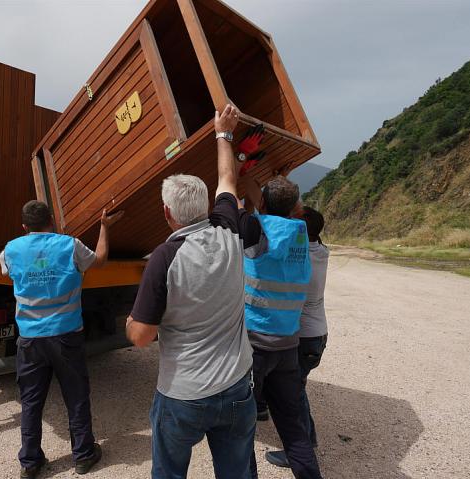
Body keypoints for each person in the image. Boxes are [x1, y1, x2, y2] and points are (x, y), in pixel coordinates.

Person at [125, 104, 257, 479]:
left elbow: (141, 337)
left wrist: (131, 321)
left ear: (167, 213)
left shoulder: (164, 258)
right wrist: (223, 134)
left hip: (183, 394)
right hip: (236, 388)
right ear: (207, 206)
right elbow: (228, 179)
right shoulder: (230, 230)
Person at [0, 200, 123, 479]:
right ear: (52, 220)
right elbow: (100, 261)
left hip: (30, 339)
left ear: (23, 227)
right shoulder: (70, 245)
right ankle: (83, 455)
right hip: (66, 336)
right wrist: (104, 227)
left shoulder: (11, 250)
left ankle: (30, 463)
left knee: (31, 401)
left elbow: (9, 275)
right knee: (76, 395)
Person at [238, 173, 323, 479]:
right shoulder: (300, 232)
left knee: (241, 429)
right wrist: (249, 172)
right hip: (288, 347)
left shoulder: (256, 230)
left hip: (254, 348)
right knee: (294, 430)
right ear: (295, 209)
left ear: (262, 204)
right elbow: (267, 206)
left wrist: (234, 154)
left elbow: (229, 201)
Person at [264, 206, 329, 471]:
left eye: (295, 219)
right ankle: (307, 439)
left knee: (293, 394)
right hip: (316, 335)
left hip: (305, 339)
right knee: (295, 390)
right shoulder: (321, 251)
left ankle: (301, 448)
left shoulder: (302, 257)